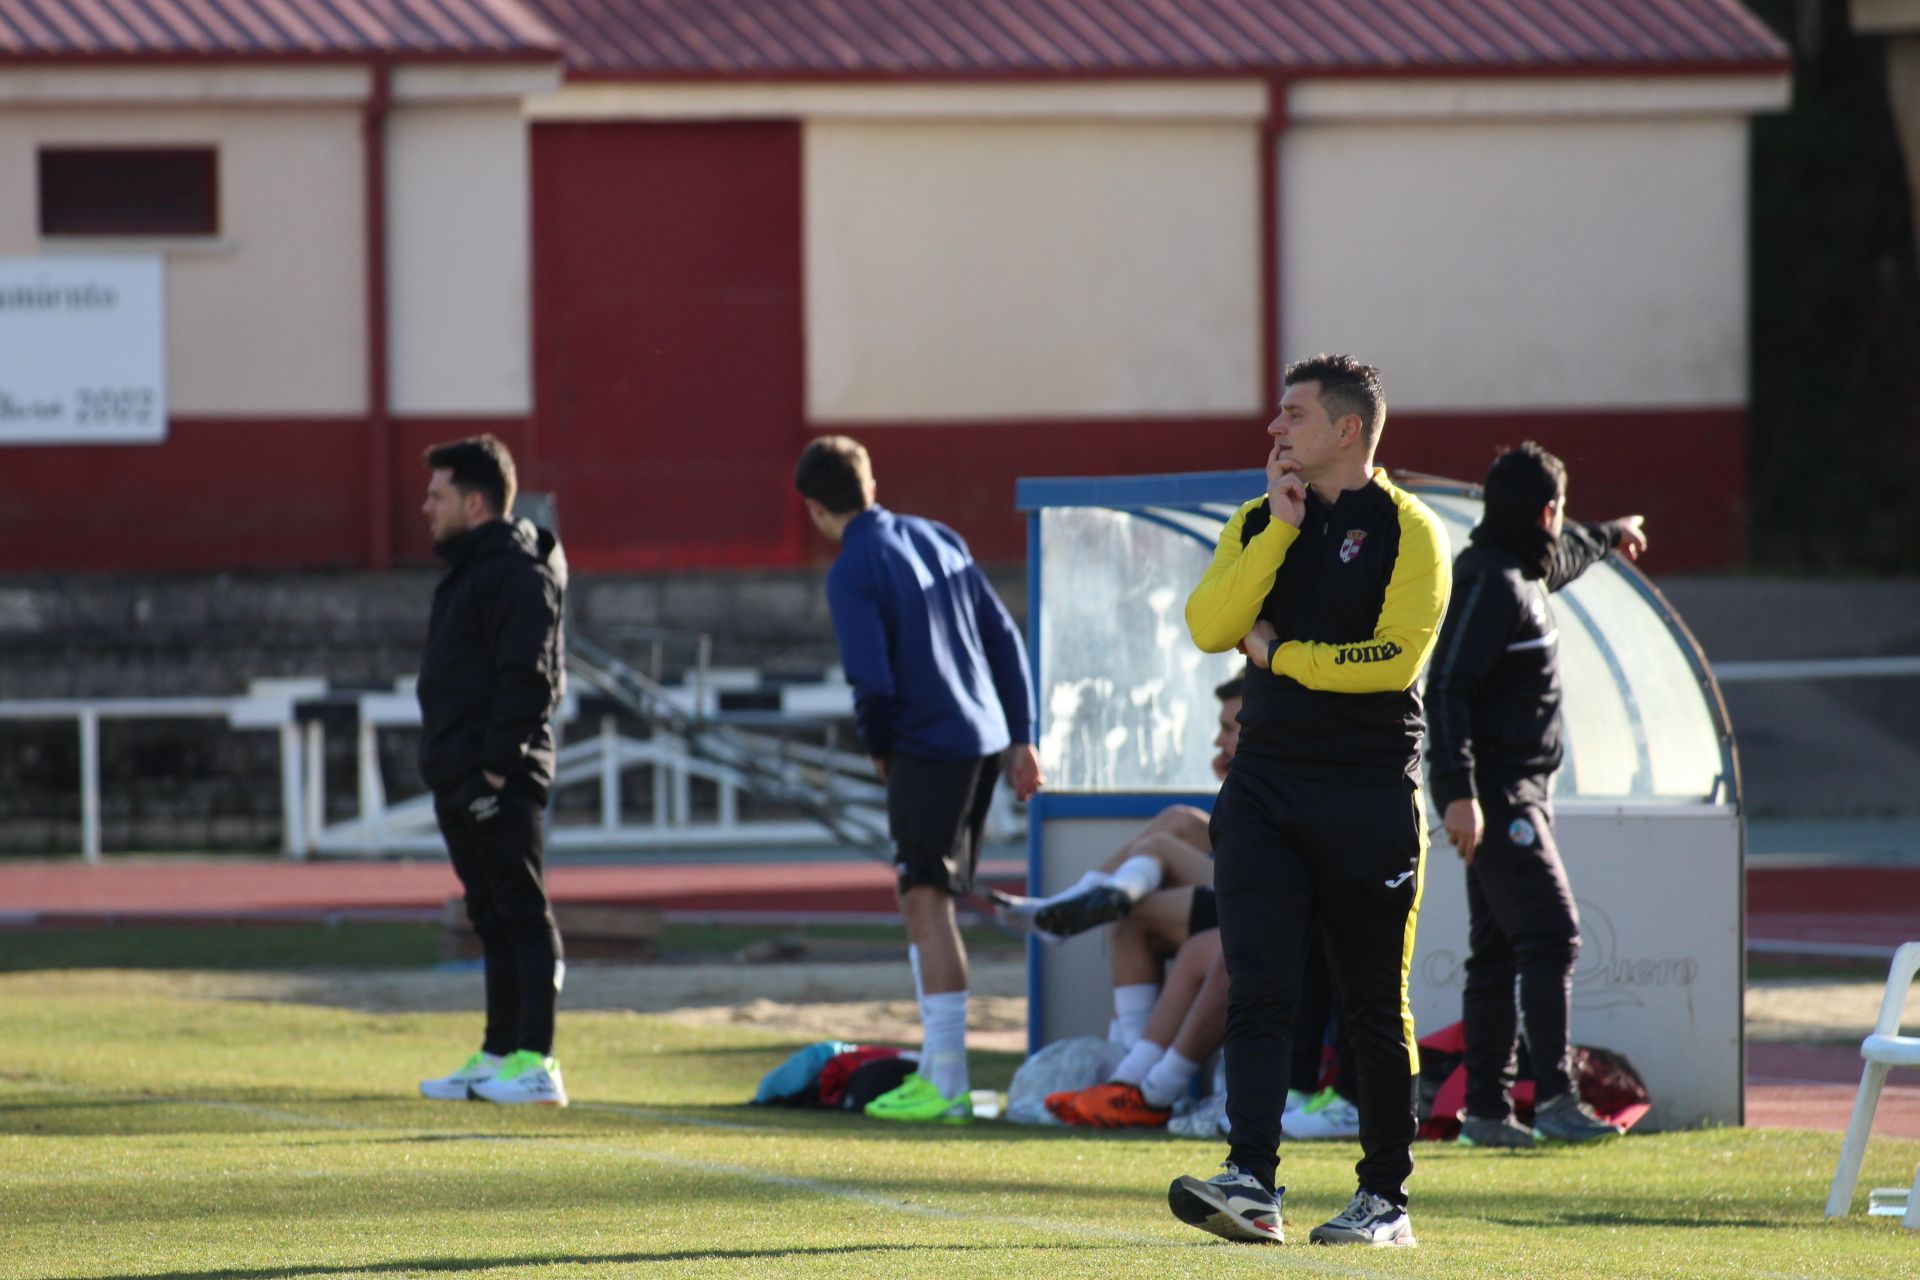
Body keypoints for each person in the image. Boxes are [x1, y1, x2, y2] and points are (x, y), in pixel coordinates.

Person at [1168, 354, 1450, 1248]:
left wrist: (1281, 657)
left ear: (1347, 431)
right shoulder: (1259, 520)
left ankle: (1386, 1202)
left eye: (1291, 416)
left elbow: (1392, 664)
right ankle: (1251, 1180)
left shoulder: (1414, 531)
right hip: (1261, 789)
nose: (1274, 431)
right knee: (1260, 988)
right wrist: (1280, 535)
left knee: (1372, 1002)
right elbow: (1209, 627)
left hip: (1368, 796)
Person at [795, 435, 1044, 1124]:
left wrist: (878, 748)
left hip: (925, 743)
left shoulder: (852, 568)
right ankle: (938, 1072)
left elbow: (870, 679)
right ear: (871, 482)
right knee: (930, 899)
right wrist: (1023, 737)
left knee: (924, 903)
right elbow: (1005, 639)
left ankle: (947, 1082)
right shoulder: (939, 536)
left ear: (814, 508)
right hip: (981, 739)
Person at [1425, 442, 1648, 1148]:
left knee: (1497, 950)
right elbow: (1448, 690)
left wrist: (1610, 536)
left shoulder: (1522, 569)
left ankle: (1487, 1112)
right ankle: (1553, 1097)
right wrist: (1458, 793)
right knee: (1552, 932)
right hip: (1497, 797)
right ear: (1547, 511)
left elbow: (1567, 556)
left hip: (1514, 793)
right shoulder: (1491, 582)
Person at [413, 435, 570, 1107]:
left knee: (523, 912)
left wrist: (494, 775)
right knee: (491, 915)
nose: (425, 507)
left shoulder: (514, 572)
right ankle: (500, 1053)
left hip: (496, 778)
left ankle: (536, 1063)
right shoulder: (471, 568)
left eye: (437, 494)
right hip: (462, 777)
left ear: (475, 502)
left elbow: (530, 681)